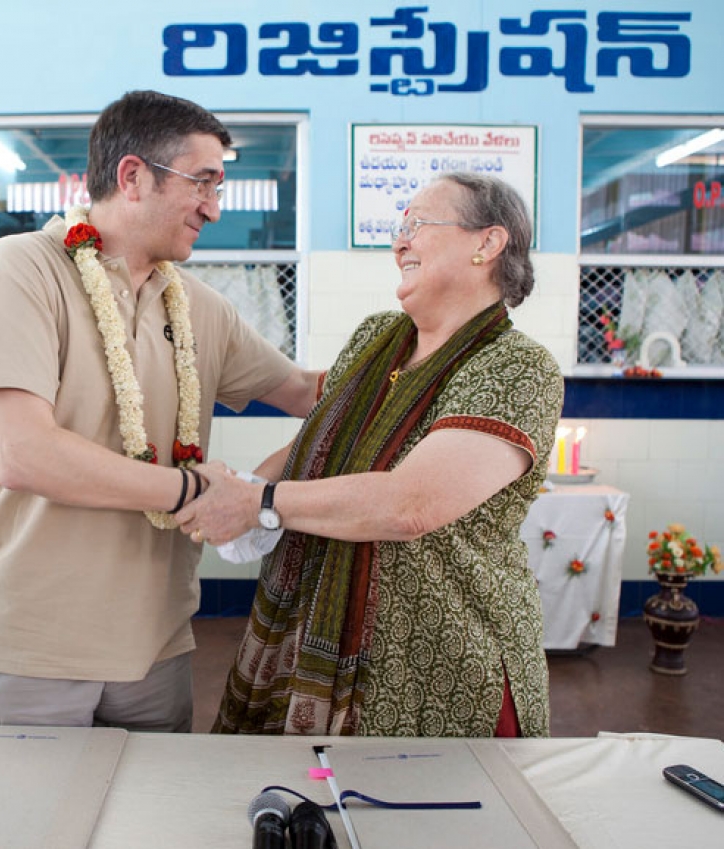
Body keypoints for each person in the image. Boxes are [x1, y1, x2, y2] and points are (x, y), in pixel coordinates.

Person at [0, 90, 321, 732]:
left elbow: (310, 395)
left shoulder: (201, 306)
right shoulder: (25, 269)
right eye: (202, 182)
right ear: (132, 176)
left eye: (220, 187)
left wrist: (429, 341)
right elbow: (23, 455)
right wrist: (196, 488)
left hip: (156, 648)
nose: (213, 207)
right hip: (30, 647)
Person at [177, 172, 565, 738]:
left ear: (487, 243)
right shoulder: (376, 338)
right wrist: (226, 495)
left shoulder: (516, 368)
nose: (399, 242)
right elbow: (313, 447)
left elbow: (411, 504)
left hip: (439, 659)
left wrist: (257, 501)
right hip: (314, 639)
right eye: (397, 228)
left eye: (417, 225)